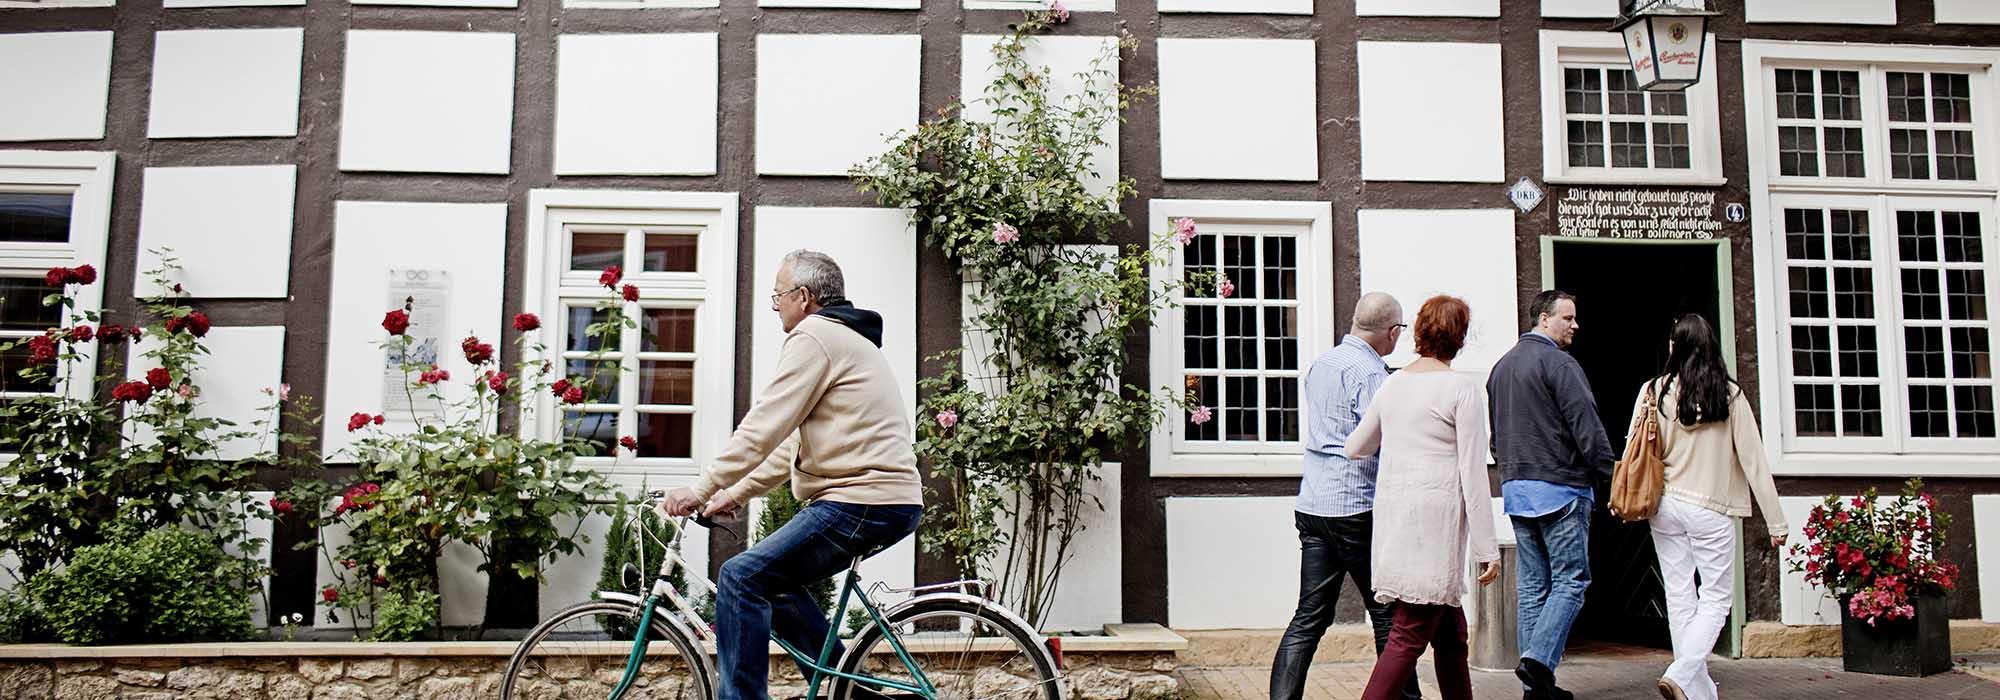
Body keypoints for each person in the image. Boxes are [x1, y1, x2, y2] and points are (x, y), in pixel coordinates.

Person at [663, 250, 924, 700]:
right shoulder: (844, 338)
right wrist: (734, 493)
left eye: (777, 295)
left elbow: (766, 423)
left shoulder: (815, 336)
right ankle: (851, 693)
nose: (775, 306)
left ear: (803, 297)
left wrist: (700, 487)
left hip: (861, 499)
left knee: (740, 577)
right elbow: (789, 445)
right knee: (773, 587)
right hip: (882, 500)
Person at [1345, 294, 1500, 700]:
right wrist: (1488, 547)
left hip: (1397, 516)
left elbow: (1356, 446)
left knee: (1451, 637)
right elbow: (1473, 473)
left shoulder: (1393, 383)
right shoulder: (1460, 389)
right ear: (1459, 338)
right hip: (1436, 523)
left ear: (1418, 333)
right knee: (1409, 634)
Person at [1270, 292, 1421, 700]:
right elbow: (1382, 439)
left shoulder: (1323, 364)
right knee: (1388, 612)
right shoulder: (1372, 374)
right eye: (1399, 332)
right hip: (1357, 505)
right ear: (1391, 332)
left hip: (1315, 502)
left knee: (1309, 616)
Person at [1632, 315, 1788, 700]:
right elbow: (1754, 461)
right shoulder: (1729, 395)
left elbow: (1632, 448)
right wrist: (1776, 520)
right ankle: (1683, 673)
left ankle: (1698, 691)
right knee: (1717, 597)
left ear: (1675, 347)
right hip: (1710, 508)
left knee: (1680, 594)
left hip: (1664, 506)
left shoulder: (1652, 391)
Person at [1487, 290, 1614, 700]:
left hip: (1517, 490)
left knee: (1533, 588)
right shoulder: (1560, 363)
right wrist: (1609, 473)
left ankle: (1536, 690)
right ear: (1544, 319)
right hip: (1561, 488)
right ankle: (1538, 661)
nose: (1575, 325)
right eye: (1568, 317)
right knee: (1572, 581)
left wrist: (1511, 470)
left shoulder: (1501, 367)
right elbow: (1587, 427)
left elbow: (1495, 437)